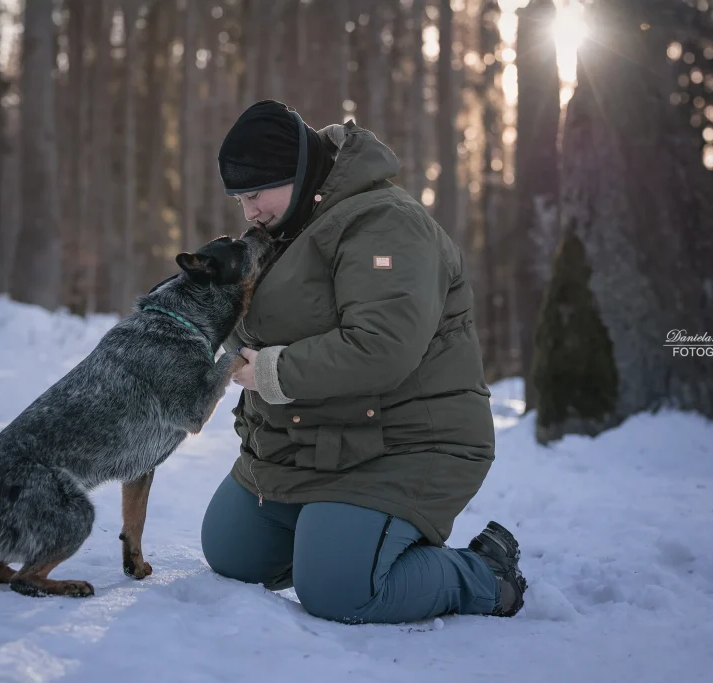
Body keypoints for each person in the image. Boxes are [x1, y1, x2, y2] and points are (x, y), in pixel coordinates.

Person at [199, 99, 527, 624]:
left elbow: (381, 347)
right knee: (233, 554)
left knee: (338, 591)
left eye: (256, 194)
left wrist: (269, 372)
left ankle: (484, 577)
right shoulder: (285, 229)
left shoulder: (386, 224)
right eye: (240, 199)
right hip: (310, 442)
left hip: (403, 442)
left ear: (299, 172)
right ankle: (332, 531)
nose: (249, 212)